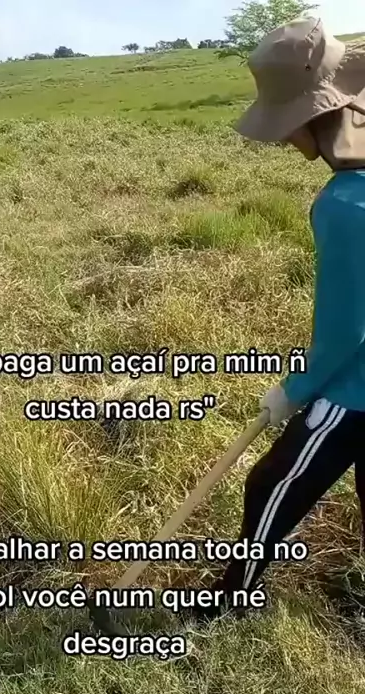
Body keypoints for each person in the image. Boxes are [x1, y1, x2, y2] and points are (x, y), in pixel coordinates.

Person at [192, 17, 365, 624]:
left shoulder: (346, 204)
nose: (286, 138)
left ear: (316, 117)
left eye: (288, 122)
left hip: (356, 389)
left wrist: (294, 389)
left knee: (270, 485)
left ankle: (229, 602)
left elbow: (347, 332)